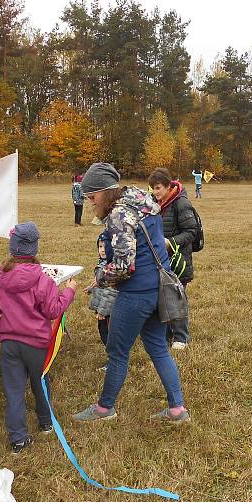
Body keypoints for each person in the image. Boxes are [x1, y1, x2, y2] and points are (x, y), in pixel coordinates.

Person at [74, 162, 190, 424]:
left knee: (117, 351)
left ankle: (105, 409)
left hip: (136, 294)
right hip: (157, 289)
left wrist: (100, 277)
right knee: (159, 348)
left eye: (93, 197)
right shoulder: (144, 199)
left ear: (105, 191)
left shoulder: (119, 215)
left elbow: (125, 266)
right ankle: (176, 409)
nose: (92, 203)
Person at [0, 222, 77, 454]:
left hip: (9, 342)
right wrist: (69, 291)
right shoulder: (43, 281)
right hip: (36, 343)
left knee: (14, 389)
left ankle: (18, 438)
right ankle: (45, 422)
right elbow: (53, 311)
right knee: (40, 382)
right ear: (34, 250)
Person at [148, 167, 199, 350]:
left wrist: (169, 242)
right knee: (162, 297)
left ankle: (181, 337)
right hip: (161, 260)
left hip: (179, 260)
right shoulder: (155, 204)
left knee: (177, 296)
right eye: (153, 188)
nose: (155, 192)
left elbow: (191, 232)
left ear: (169, 186)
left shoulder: (181, 203)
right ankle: (166, 334)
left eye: (158, 188)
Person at [86, 233, 117, 370]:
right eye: (99, 246)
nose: (102, 250)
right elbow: (99, 283)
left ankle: (115, 362)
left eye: (105, 247)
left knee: (109, 336)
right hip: (103, 309)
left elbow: (111, 291)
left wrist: (103, 311)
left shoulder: (111, 267)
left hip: (108, 311)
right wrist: (91, 288)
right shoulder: (102, 264)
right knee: (103, 332)